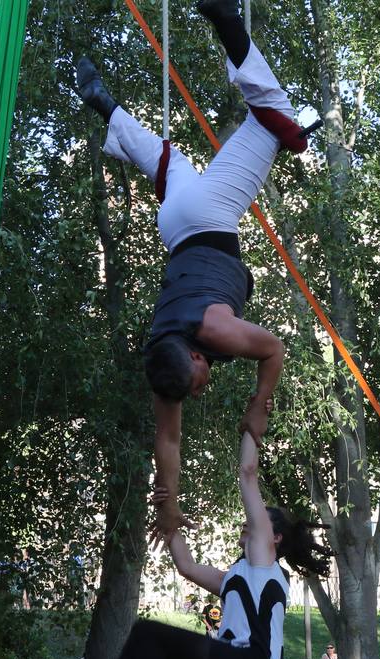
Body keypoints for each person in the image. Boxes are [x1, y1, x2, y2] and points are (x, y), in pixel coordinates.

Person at [74, 0, 315, 535]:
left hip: (211, 217)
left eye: (198, 378)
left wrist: (260, 407)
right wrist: (169, 504)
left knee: (276, 113)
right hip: (177, 228)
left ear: (191, 356)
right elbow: (169, 441)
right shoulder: (164, 364)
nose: (202, 387)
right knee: (168, 163)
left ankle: (226, 19)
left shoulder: (212, 330)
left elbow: (274, 348)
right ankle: (107, 108)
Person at [71, 433, 331, 659]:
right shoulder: (237, 577)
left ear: (273, 538)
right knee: (146, 642)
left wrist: (251, 429)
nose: (247, 525)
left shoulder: (266, 566)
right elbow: (187, 566)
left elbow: (248, 473)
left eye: (257, 523)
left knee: (149, 635)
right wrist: (168, 515)